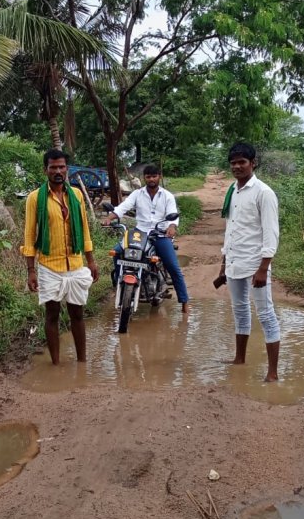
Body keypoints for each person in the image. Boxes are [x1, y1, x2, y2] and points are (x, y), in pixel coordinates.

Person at [22, 149, 99, 365]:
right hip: (49, 265)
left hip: (75, 262)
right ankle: (56, 363)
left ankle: (82, 362)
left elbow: (84, 229)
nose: (58, 171)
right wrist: (30, 270)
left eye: (62, 167)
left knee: (77, 313)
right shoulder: (35, 198)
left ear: (67, 169)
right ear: (45, 169)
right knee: (52, 313)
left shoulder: (76, 195)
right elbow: (29, 235)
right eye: (53, 167)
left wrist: (91, 260)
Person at [214, 142, 281, 382]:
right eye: (233, 163)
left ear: (253, 163)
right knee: (240, 311)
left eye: (242, 162)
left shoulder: (264, 193)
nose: (237, 167)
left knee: (265, 314)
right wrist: (223, 264)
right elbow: (230, 229)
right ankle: (239, 359)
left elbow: (271, 233)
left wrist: (263, 268)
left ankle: (272, 373)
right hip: (234, 262)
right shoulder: (232, 190)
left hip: (255, 264)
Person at [102, 164, 190, 314]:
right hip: (139, 232)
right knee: (117, 252)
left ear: (159, 177)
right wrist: (109, 218)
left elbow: (173, 214)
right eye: (148, 176)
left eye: (154, 176)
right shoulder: (137, 194)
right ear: (144, 178)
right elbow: (123, 207)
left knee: (173, 267)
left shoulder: (167, 195)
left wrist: (172, 227)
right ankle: (119, 282)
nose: (151, 179)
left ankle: (184, 302)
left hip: (160, 234)